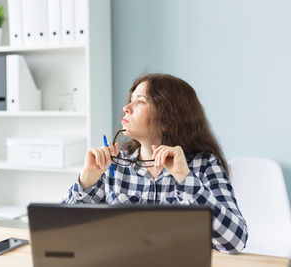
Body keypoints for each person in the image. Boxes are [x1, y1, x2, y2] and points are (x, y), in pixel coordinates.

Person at [62, 73, 248, 254]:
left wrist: (185, 178)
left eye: (140, 101)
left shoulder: (205, 165)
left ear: (166, 120)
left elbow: (235, 241)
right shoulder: (113, 165)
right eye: (131, 99)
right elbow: (60, 232)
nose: (127, 107)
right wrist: (87, 180)